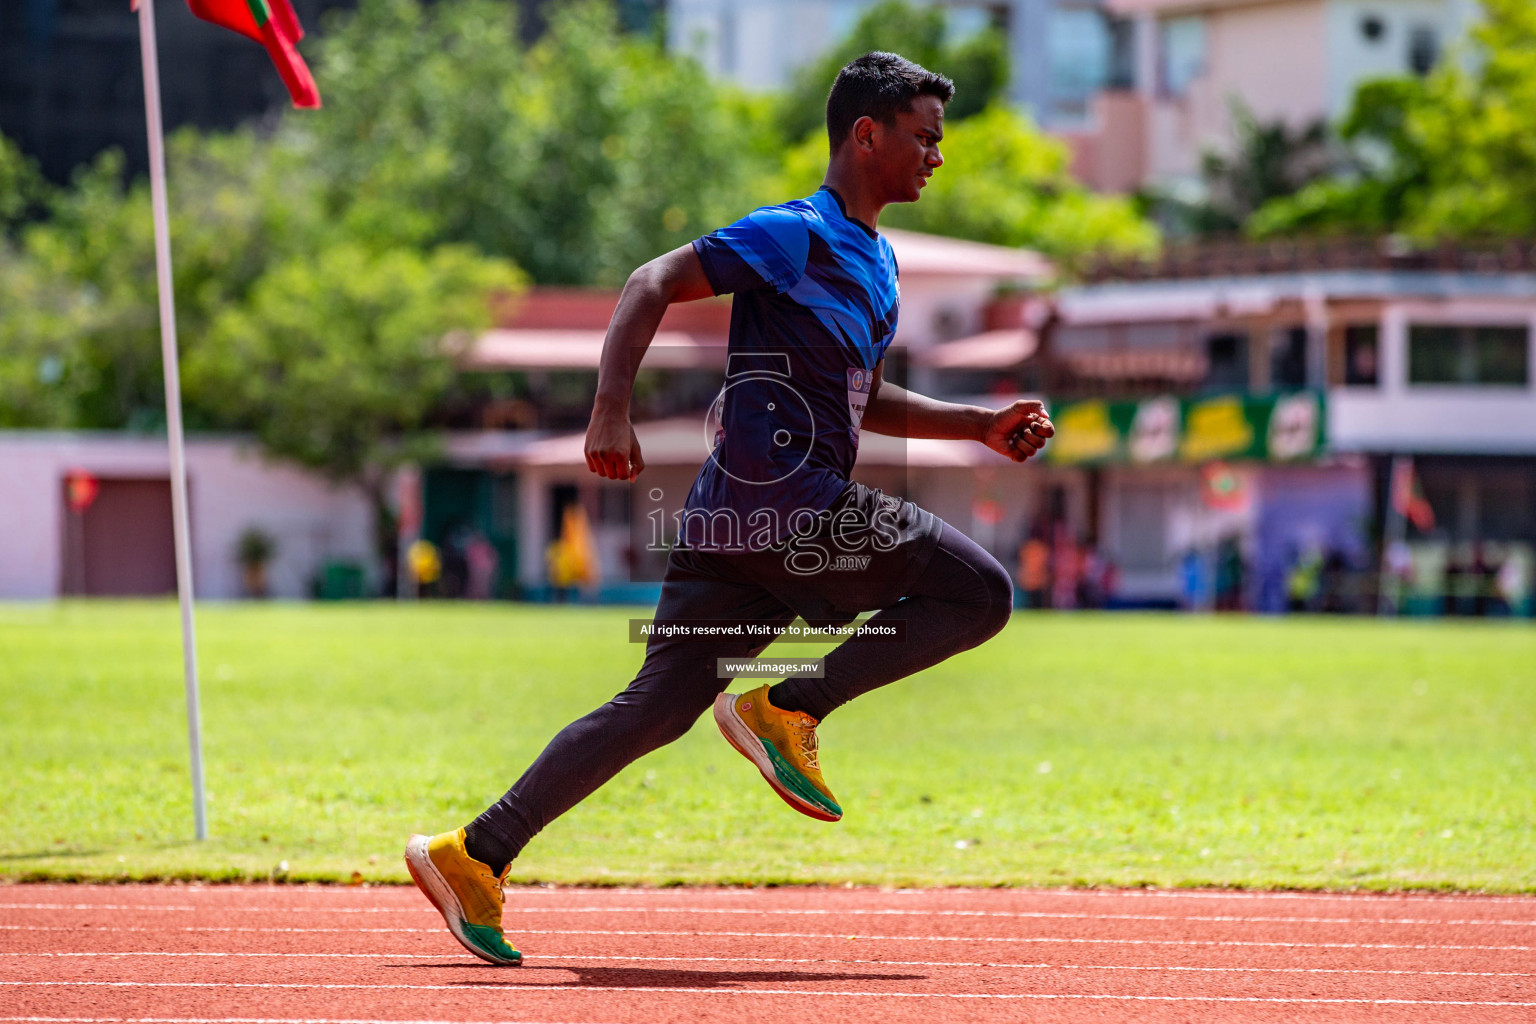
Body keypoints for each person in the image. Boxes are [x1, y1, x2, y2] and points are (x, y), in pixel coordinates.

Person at [402, 52, 1055, 966]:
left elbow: (862, 397)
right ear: (866, 134)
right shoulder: (798, 233)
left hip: (734, 522)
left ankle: (472, 854)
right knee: (980, 594)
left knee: (658, 705)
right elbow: (650, 281)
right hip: (790, 508)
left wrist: (978, 424)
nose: (937, 157)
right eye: (925, 137)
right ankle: (788, 708)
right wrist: (609, 409)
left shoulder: (878, 261)